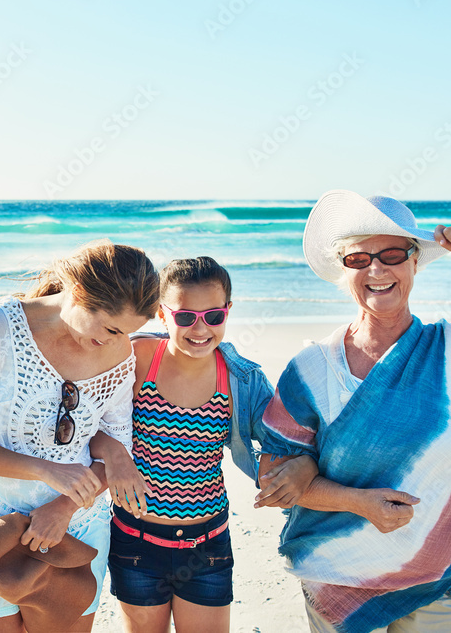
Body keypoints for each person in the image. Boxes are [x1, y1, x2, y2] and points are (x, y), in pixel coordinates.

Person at [256, 190, 451, 633]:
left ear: (416, 262)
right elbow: (273, 477)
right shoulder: (311, 369)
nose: (376, 269)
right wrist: (354, 501)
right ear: (343, 272)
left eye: (391, 254)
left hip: (440, 582)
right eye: (358, 260)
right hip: (336, 578)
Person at [0, 239, 160, 632]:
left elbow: (112, 446)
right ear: (79, 292)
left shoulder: (119, 353)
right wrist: (47, 470)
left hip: (75, 524)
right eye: (109, 327)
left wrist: (63, 507)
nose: (114, 341)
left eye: (126, 332)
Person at [91, 257, 319, 633]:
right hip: (135, 542)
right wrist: (113, 452)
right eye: (184, 317)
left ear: (228, 312)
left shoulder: (240, 380)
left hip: (207, 547)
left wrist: (306, 466)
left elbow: (293, 439)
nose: (200, 328)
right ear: (163, 315)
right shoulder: (136, 359)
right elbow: (87, 423)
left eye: (213, 316)